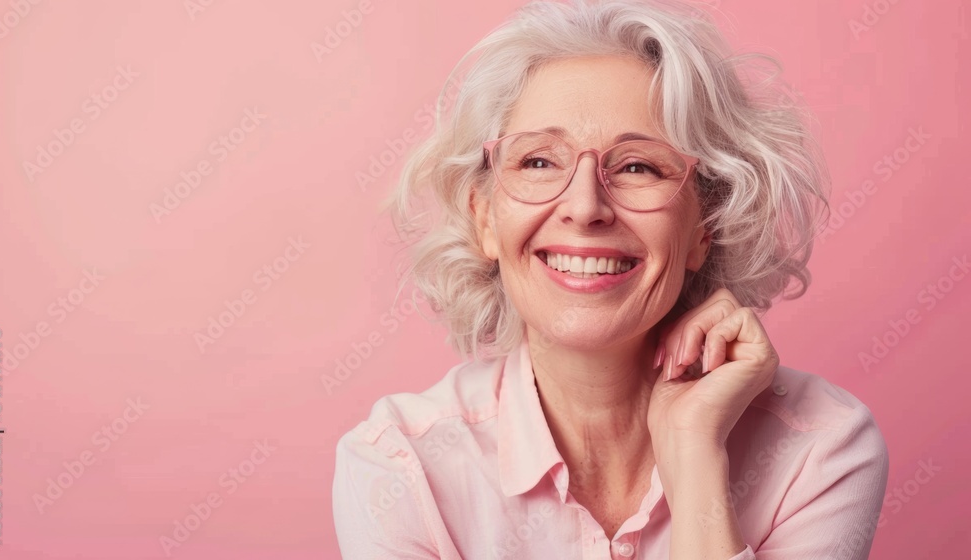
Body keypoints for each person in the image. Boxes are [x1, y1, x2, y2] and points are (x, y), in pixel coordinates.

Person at [332, 1, 890, 558]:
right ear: (485, 219)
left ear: (705, 226)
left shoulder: (821, 446)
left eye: (637, 166)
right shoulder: (399, 466)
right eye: (539, 161)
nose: (584, 206)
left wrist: (693, 456)